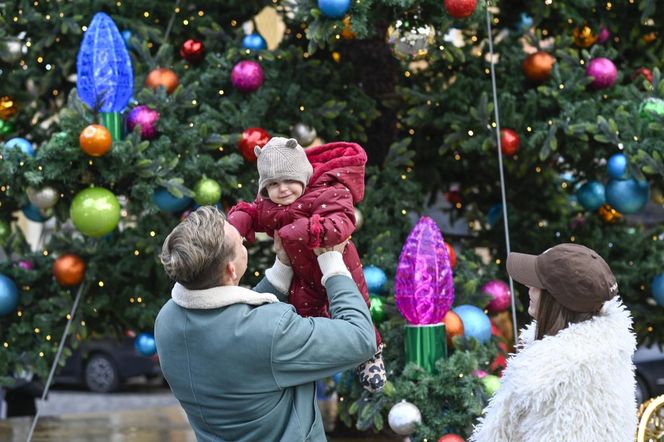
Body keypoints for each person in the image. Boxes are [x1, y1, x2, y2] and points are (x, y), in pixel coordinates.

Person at [154, 206, 377, 441]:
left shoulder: (167, 319)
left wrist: (282, 267)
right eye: (240, 243)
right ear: (231, 269)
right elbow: (361, 337)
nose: (243, 240)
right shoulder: (271, 331)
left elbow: (234, 318)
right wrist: (332, 264)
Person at [227, 137, 386, 392]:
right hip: (301, 276)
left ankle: (371, 354)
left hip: (337, 267)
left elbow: (343, 223)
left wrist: (306, 230)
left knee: (354, 309)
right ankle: (314, 364)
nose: (283, 189)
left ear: (303, 174)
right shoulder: (271, 205)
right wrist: (234, 226)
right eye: (274, 184)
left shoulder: (328, 192)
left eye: (289, 180)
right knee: (305, 314)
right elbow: (253, 212)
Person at [470, 243, 637, 442]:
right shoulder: (611, 352)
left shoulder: (543, 374)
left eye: (537, 283)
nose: (528, 287)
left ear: (557, 299)